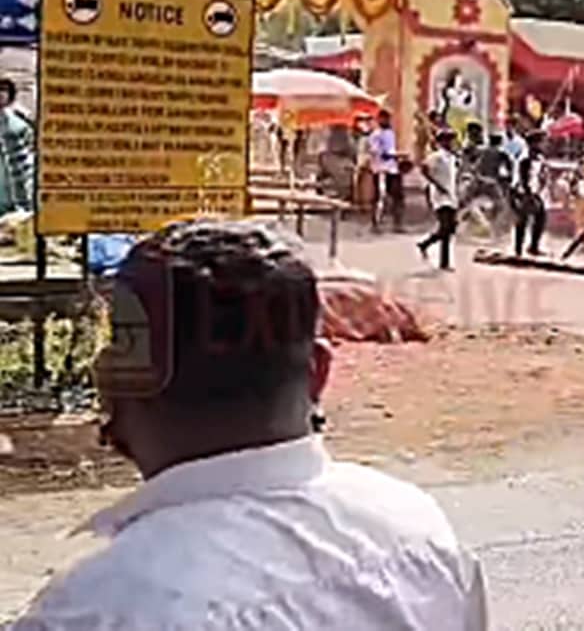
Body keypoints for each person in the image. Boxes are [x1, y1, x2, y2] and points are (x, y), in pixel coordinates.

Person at [14, 222, 486, 629]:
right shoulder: (421, 533)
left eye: (119, 341)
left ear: (130, 376)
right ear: (320, 372)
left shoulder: (97, 608)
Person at [416, 128, 460, 271]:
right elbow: (423, 168)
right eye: (447, 140)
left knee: (450, 228)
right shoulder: (437, 156)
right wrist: (435, 183)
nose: (450, 143)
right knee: (446, 227)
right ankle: (444, 262)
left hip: (451, 194)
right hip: (440, 196)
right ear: (441, 142)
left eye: (451, 140)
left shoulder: (452, 157)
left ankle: (426, 243)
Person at [0, 77, 34, 215]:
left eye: (4, 90)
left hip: (19, 187)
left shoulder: (19, 121)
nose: (1, 94)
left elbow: (30, 146)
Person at [367, 109, 404, 232]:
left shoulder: (390, 133)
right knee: (379, 197)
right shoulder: (376, 135)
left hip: (392, 168)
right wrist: (395, 155)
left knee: (397, 196)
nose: (386, 121)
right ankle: (375, 223)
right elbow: (378, 153)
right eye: (383, 118)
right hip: (381, 169)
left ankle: (397, 223)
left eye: (387, 118)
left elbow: (391, 150)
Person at [509, 148, 547, 258]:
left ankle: (533, 246)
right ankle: (519, 249)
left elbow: (542, 177)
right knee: (523, 221)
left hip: (537, 193)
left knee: (540, 220)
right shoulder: (525, 162)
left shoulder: (540, 161)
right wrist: (528, 193)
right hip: (527, 193)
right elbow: (523, 179)